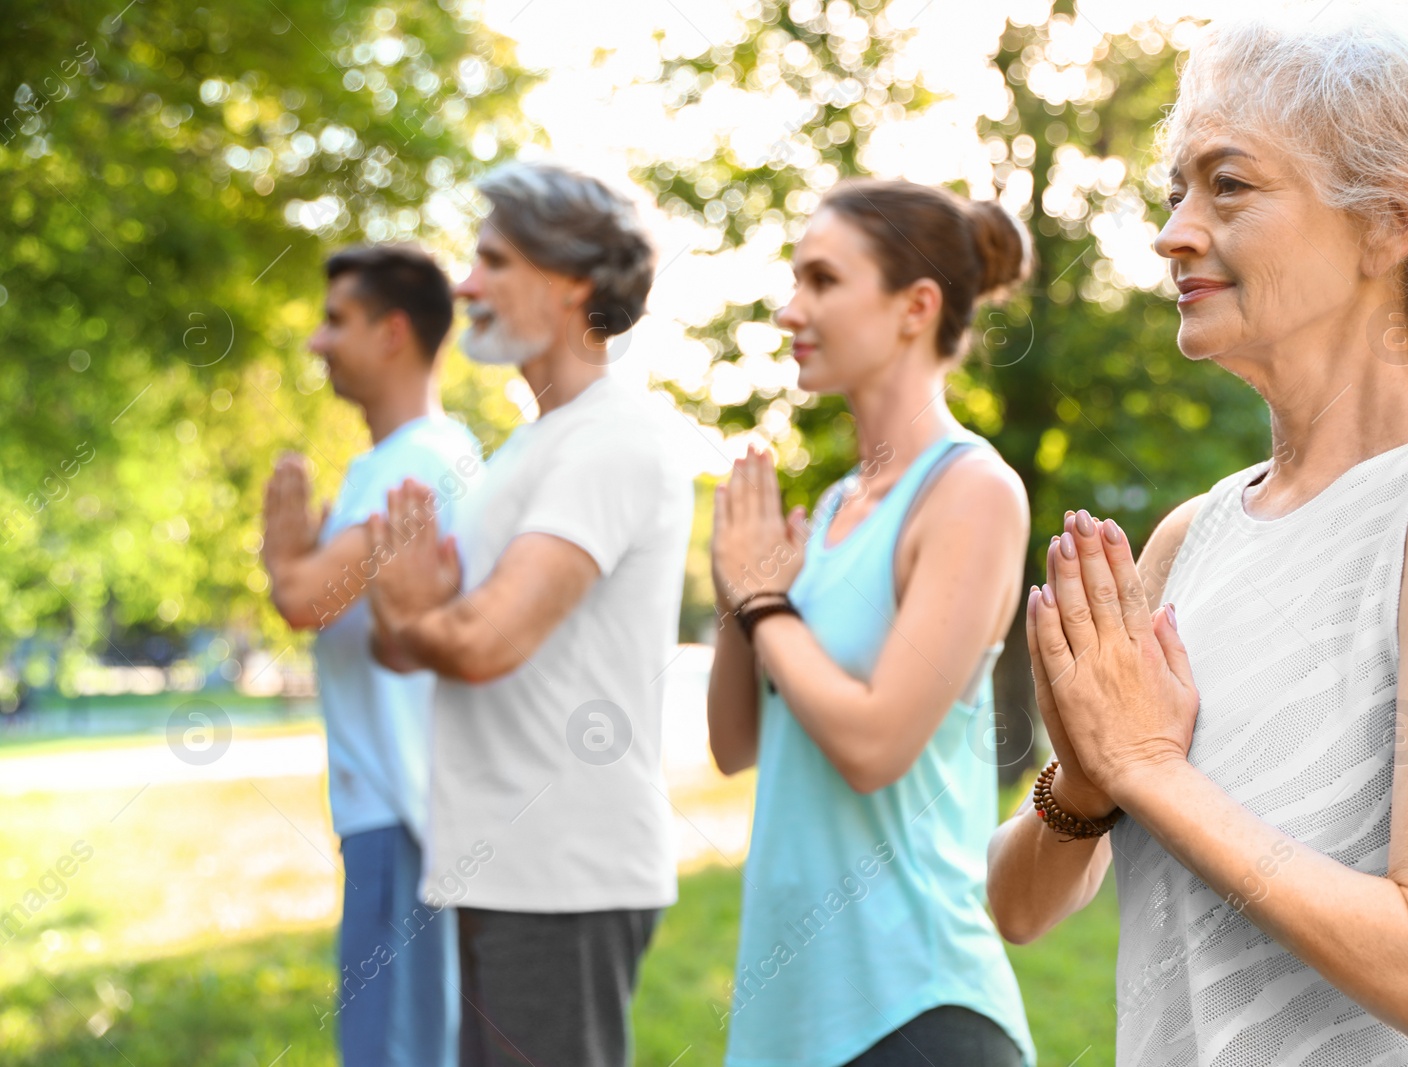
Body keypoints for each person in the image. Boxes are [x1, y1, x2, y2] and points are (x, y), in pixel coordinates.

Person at [987, 4, 1408, 1064]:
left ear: (1393, 217)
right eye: (1177, 187)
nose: (1173, 228)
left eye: (1229, 183)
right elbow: (1018, 907)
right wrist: (1083, 783)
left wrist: (1146, 767)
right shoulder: (1193, 535)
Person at [364, 159, 693, 1067]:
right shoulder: (532, 446)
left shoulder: (613, 439)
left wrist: (410, 609)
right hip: (500, 865)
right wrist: (411, 614)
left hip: (565, 869)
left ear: (573, 281)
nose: (466, 284)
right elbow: (414, 645)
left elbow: (479, 641)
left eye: (493, 261)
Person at [708, 178, 1038, 1067]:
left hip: (913, 1010)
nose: (789, 310)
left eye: (821, 280)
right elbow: (736, 741)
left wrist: (764, 600)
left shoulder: (972, 491)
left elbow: (875, 744)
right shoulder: (827, 511)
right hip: (788, 1017)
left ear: (914, 308)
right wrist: (733, 592)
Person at [262, 244, 480, 1067]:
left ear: (393, 333)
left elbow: (305, 596)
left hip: (406, 804)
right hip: (383, 803)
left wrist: (285, 556)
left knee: (399, 1049)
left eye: (336, 321)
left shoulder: (420, 462)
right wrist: (296, 562)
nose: (318, 341)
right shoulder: (384, 464)